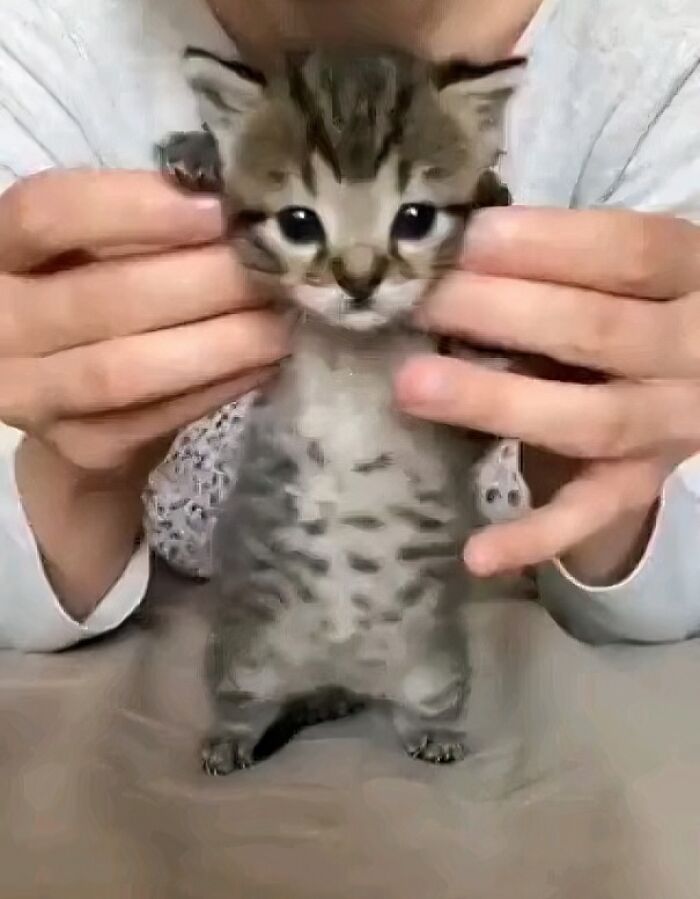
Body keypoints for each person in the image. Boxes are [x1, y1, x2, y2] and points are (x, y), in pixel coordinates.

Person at [1, 0, 699, 651]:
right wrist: (76, 477)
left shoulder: (663, 57)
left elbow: (674, 593)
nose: (358, 274)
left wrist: (604, 465)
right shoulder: (41, 46)